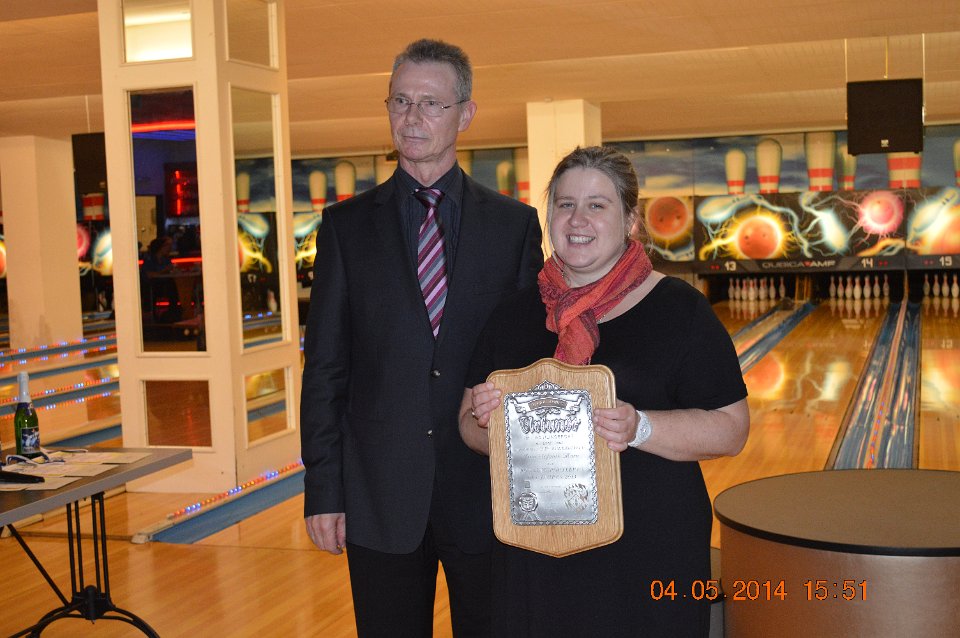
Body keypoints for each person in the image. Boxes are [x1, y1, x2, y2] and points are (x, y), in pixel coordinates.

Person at [300, 39, 543, 637]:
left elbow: (531, 364)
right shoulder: (345, 227)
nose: (412, 117)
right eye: (400, 101)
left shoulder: (513, 226)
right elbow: (326, 368)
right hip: (379, 497)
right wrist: (323, 490)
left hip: (486, 493)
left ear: (466, 114)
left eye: (431, 103)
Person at [459, 146, 749, 637]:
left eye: (597, 205)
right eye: (565, 204)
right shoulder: (513, 314)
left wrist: (640, 427)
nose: (578, 219)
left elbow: (731, 429)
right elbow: (467, 423)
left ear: (630, 220)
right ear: (549, 216)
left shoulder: (680, 310)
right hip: (535, 552)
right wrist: (494, 427)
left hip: (649, 551)